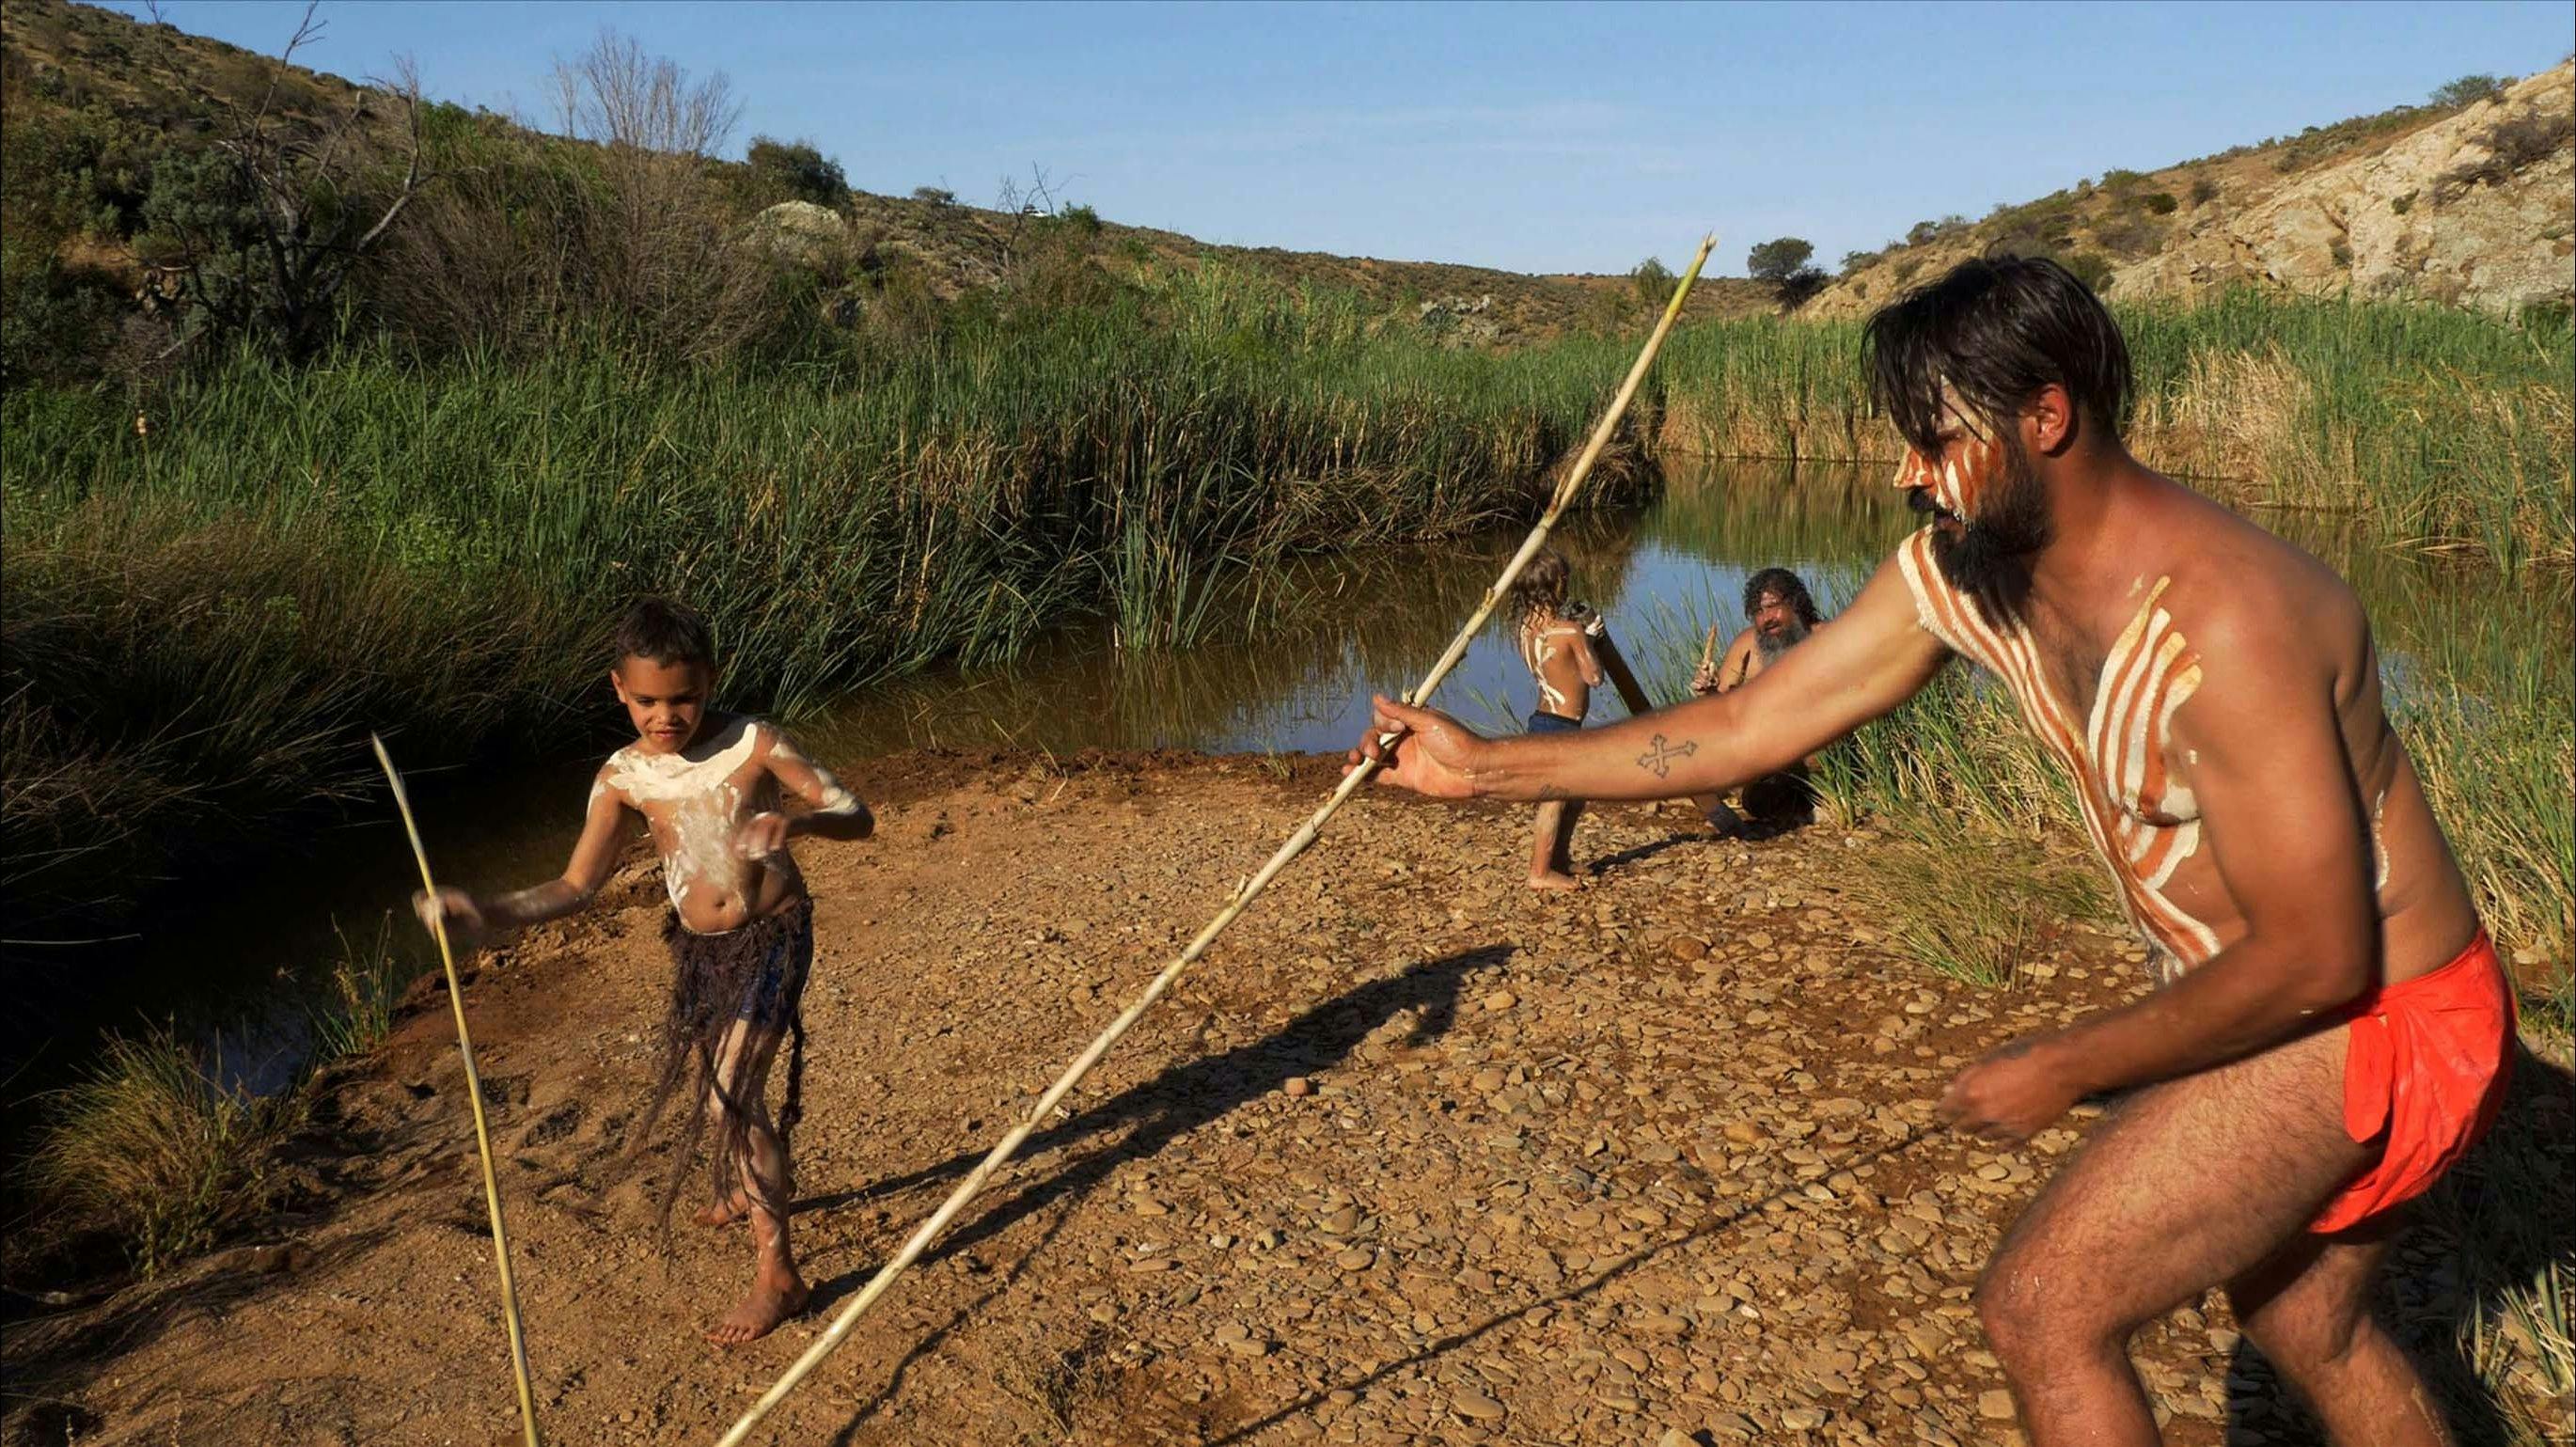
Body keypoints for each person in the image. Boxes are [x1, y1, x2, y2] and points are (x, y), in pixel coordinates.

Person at [1354, 256, 2509, 1445]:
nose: (1906, 471)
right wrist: (1483, 767)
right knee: (2300, 1325)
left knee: (2042, 1311)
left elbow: (2317, 958)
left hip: (2379, 1015)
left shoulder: (2229, 617)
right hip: (2298, 1003)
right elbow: (1748, 725)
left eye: (1932, 436)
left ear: (2045, 417)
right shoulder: (1961, 575)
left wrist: (2063, 1060)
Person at [414, 599, 875, 1346]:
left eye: (685, 697)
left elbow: (859, 814)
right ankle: (747, 1186)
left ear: (710, 680)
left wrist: (801, 821)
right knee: (723, 1083)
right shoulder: (623, 776)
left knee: (733, 1092)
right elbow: (575, 885)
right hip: (700, 949)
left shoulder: (753, 743)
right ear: (620, 690)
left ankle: (779, 1274)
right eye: (650, 700)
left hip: (773, 938)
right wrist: (489, 911)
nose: (668, 715)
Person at [1689, 567, 1826, 834]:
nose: (1766, 619)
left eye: (1772, 607)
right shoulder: (1747, 646)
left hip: (1820, 762)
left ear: (1796, 603)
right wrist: (1707, 691)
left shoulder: (1828, 637)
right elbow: (1722, 711)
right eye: (1758, 612)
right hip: (1765, 764)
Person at [1512, 547, 1603, 890]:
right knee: (1554, 800)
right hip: (1562, 724)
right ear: (1557, 585)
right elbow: (1593, 677)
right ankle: (1540, 871)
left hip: (1543, 718)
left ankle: (1560, 859)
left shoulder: (1525, 629)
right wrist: (1591, 636)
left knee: (1574, 795)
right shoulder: (1568, 632)